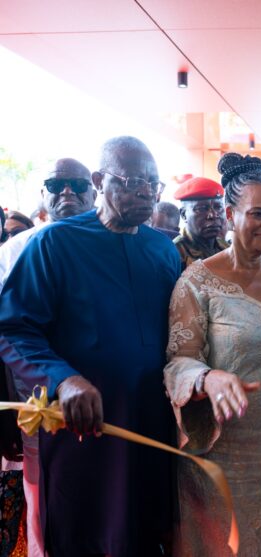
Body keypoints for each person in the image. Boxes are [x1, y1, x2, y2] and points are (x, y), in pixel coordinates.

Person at [0, 136, 179, 557]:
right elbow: (14, 329)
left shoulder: (162, 249)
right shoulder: (54, 244)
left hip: (149, 424)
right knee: (85, 534)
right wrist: (64, 380)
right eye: (134, 182)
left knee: (146, 532)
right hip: (86, 426)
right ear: (99, 181)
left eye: (153, 184)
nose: (146, 193)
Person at [164, 152, 261, 557]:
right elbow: (178, 361)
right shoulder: (197, 281)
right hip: (218, 459)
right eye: (258, 214)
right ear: (230, 215)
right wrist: (206, 377)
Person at [0, 158, 96, 557]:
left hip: (108, 404)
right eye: (56, 186)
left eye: (77, 184)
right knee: (45, 508)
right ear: (43, 195)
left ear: (95, 192)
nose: (67, 192)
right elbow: (8, 334)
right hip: (38, 409)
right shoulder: (15, 250)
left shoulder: (109, 245)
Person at [173, 176, 229, 270]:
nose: (213, 215)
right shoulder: (175, 252)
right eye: (202, 209)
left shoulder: (226, 248)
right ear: (184, 214)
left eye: (218, 207)